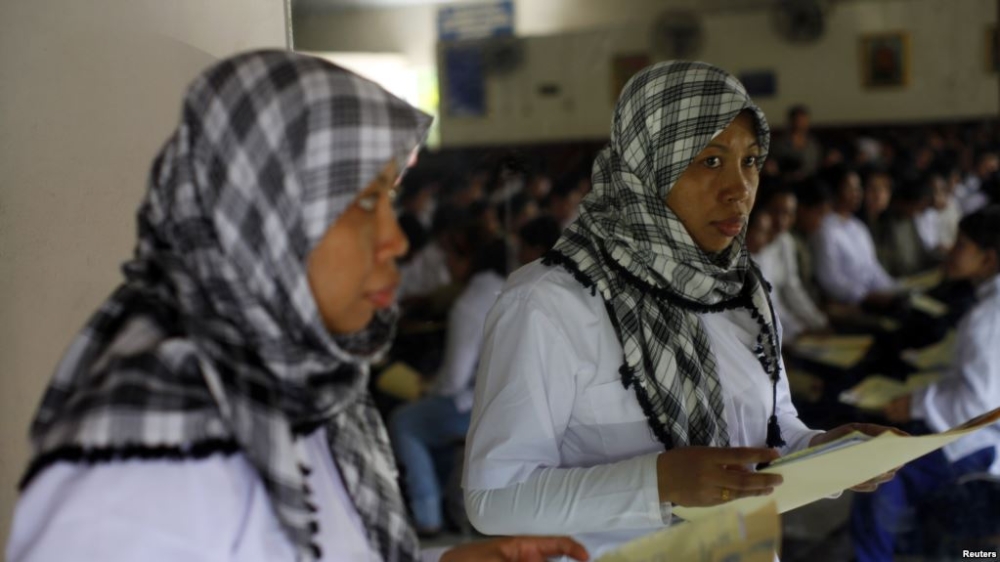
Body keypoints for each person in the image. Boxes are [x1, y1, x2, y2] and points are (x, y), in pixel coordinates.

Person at [5, 51, 588, 562]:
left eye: (389, 199)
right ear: (259, 218)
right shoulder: (142, 464)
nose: (397, 241)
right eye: (363, 203)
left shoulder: (309, 389)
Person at [462, 61, 898, 558]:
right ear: (647, 164)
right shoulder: (549, 302)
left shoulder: (741, 291)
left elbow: (772, 428)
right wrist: (657, 482)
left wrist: (822, 452)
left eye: (751, 161)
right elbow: (493, 498)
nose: (740, 189)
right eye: (710, 162)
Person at [853, 205, 1000, 562]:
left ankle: (874, 557)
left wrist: (916, 403)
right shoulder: (987, 307)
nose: (951, 250)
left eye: (962, 245)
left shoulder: (987, 318)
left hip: (978, 443)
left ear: (989, 258)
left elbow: (979, 405)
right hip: (982, 433)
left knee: (877, 468)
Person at [389, 230, 509, 537]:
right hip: (508, 399)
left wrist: (426, 386)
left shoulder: (468, 305)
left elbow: (454, 380)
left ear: (468, 261)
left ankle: (427, 514)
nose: (448, 264)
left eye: (452, 258)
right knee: (430, 421)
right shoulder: (507, 288)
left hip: (477, 405)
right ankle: (440, 499)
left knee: (405, 422)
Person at [811, 165, 901, 310]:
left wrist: (895, 289)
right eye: (850, 188)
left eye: (858, 188)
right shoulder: (824, 229)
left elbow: (872, 269)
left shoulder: (858, 227)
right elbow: (830, 279)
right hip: (848, 305)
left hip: (873, 298)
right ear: (835, 191)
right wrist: (865, 296)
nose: (857, 193)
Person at [755, 185, 829, 344]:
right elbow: (767, 305)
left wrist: (817, 322)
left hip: (784, 327)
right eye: (775, 211)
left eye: (788, 213)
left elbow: (792, 288)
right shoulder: (752, 249)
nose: (781, 220)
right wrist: (796, 332)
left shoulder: (785, 241)